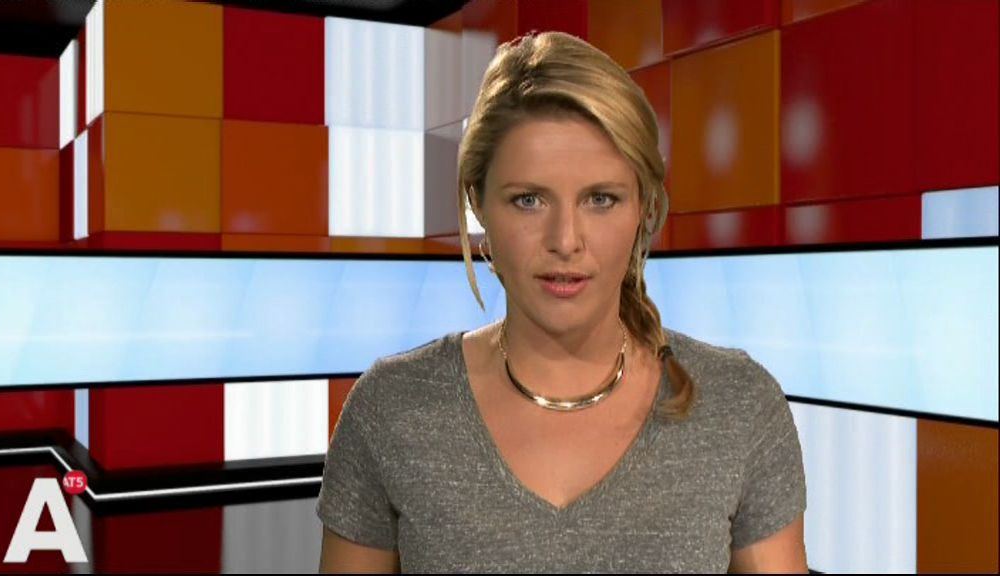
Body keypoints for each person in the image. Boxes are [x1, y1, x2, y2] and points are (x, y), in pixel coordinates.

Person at [317, 31, 807, 573]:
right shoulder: (392, 409)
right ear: (478, 202)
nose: (566, 240)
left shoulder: (738, 405)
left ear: (644, 208)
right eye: (528, 200)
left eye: (601, 199)